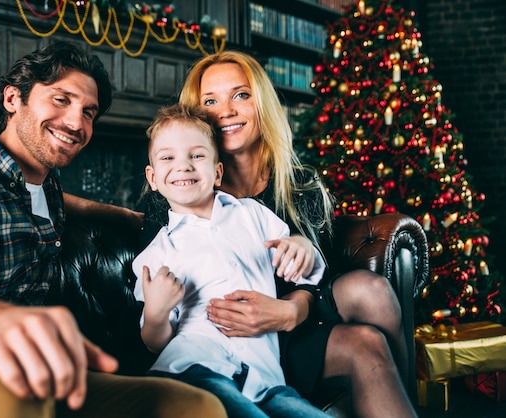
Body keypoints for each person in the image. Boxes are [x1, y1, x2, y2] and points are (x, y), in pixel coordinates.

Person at [0, 41, 227, 418]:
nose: (76, 123)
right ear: (13, 98)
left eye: (89, 112)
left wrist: (130, 217)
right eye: (61, 99)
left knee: (193, 406)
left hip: (37, 373)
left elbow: (60, 199)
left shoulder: (47, 189)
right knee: (8, 393)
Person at [139, 50, 417, 418]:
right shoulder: (179, 189)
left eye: (241, 95)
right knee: (364, 341)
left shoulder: (299, 186)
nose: (226, 110)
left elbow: (320, 275)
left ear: (262, 104)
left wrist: (289, 310)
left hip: (297, 323)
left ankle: (403, 400)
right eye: (211, 100)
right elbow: (156, 300)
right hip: (230, 341)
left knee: (372, 291)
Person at [133, 103, 329, 418]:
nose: (183, 166)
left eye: (197, 156)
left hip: (264, 379)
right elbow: (154, 342)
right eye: (168, 157)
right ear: (153, 177)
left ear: (218, 172)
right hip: (193, 369)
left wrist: (301, 246)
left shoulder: (253, 215)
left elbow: (306, 270)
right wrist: (156, 314)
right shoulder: (157, 253)